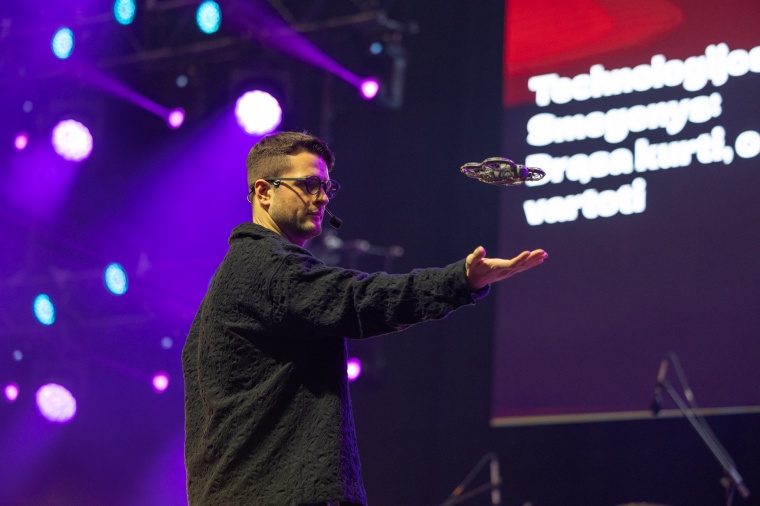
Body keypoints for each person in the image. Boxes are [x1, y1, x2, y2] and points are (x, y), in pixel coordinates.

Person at [182, 131, 547, 506]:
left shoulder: (231, 280)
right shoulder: (267, 265)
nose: (322, 197)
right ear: (263, 192)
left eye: (327, 187)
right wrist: (460, 281)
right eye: (309, 184)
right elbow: (361, 299)